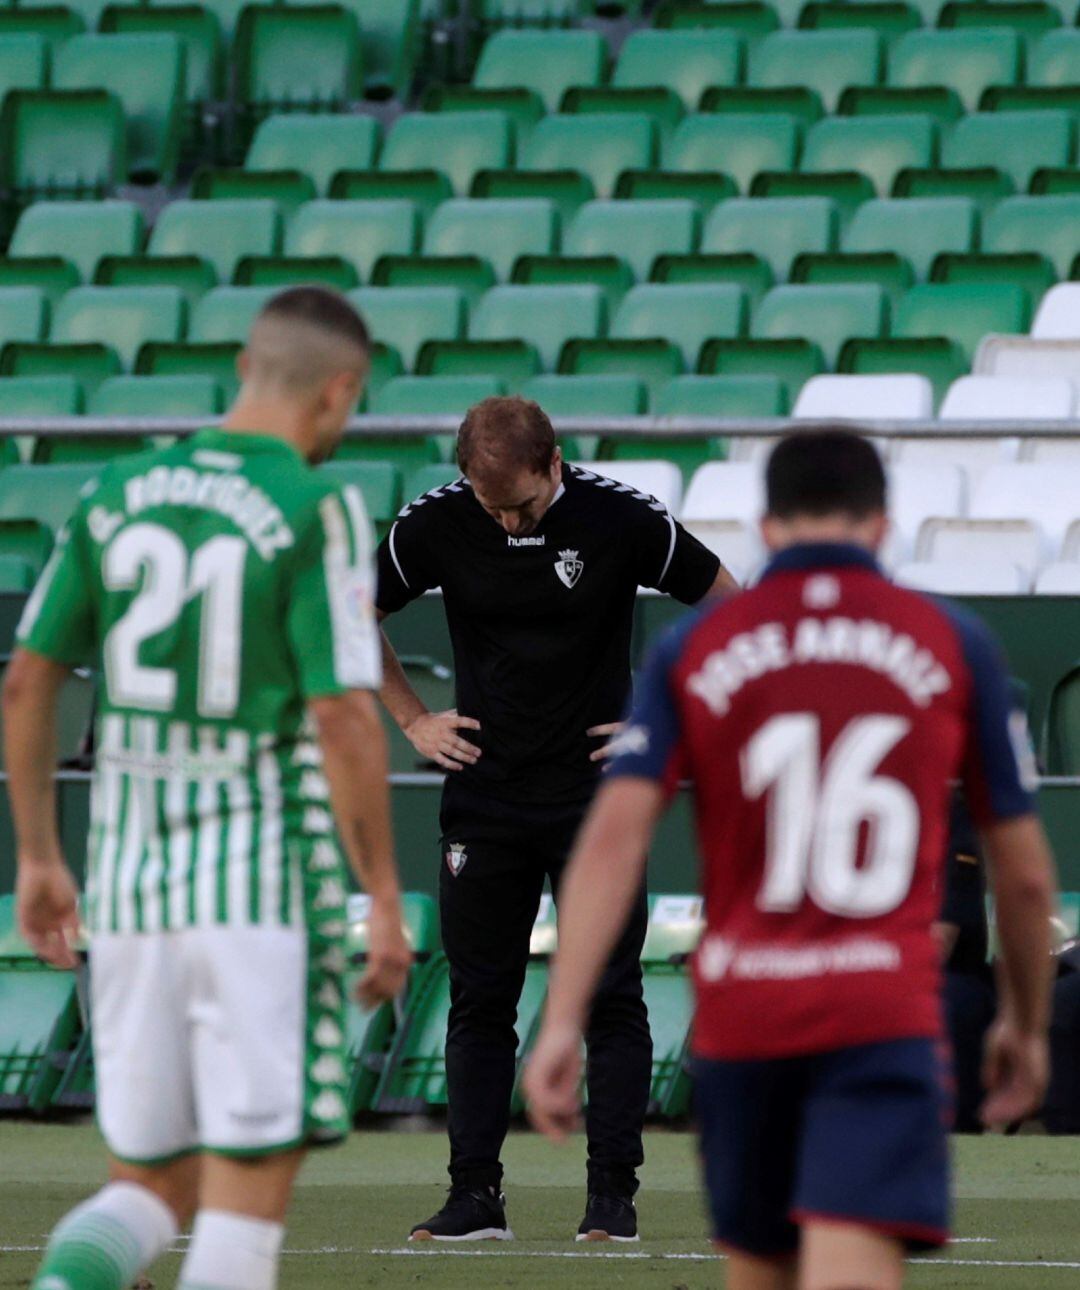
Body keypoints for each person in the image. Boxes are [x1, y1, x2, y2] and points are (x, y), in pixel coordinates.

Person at [525, 428, 1056, 1290]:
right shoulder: (953, 643)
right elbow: (1025, 875)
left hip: (745, 1017)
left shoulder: (695, 650)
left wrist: (559, 1019)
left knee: (760, 1272)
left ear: (765, 527)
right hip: (879, 1011)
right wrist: (1024, 1027)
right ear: (883, 524)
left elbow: (613, 841)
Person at [7, 286, 413, 1290]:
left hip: (133, 895)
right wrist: (386, 893)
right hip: (261, 895)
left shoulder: (114, 492)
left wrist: (39, 855)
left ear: (244, 367)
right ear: (341, 390)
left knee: (144, 1191)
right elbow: (344, 716)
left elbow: (27, 680)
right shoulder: (314, 507)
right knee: (241, 1210)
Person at [375, 395, 737, 1242]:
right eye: (489, 507)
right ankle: (475, 1197)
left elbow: (733, 609)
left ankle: (612, 1199)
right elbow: (352, 615)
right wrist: (413, 719)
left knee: (612, 997)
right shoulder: (434, 523)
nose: (504, 523)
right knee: (479, 999)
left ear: (556, 462)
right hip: (485, 798)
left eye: (523, 506)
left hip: (594, 804)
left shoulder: (621, 518)